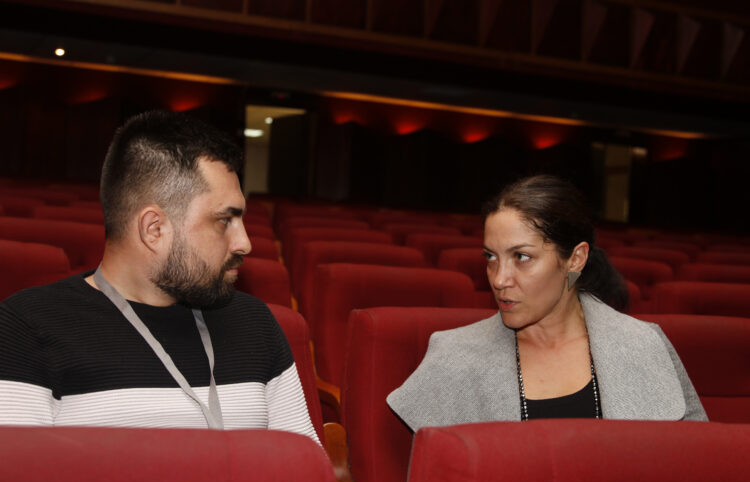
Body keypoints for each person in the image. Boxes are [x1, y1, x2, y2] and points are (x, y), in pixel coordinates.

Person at [0, 110, 319, 443]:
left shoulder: (255, 323)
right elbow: (19, 471)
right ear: (154, 229)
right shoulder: (26, 329)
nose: (245, 243)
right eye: (225, 221)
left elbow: (305, 465)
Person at [388, 175, 706, 430]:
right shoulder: (455, 355)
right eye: (491, 257)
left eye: (521, 257)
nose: (499, 279)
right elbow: (434, 477)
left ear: (575, 259)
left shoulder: (644, 343)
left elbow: (693, 465)